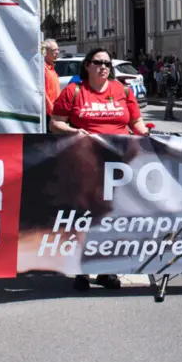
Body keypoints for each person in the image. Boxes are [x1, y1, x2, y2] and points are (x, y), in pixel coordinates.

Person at [50, 47, 149, 292]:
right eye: (97, 62)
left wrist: (151, 138)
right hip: (84, 164)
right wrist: (74, 131)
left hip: (119, 165)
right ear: (87, 65)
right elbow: (55, 123)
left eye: (106, 63)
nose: (103, 66)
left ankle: (107, 269)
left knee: (112, 217)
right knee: (84, 218)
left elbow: (136, 122)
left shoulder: (122, 90)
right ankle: (80, 270)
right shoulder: (74, 91)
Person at [43, 38, 61, 119]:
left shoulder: (52, 68)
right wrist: (51, 109)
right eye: (54, 50)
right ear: (45, 52)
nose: (57, 52)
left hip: (55, 110)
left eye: (58, 50)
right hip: (48, 113)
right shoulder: (43, 68)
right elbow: (43, 92)